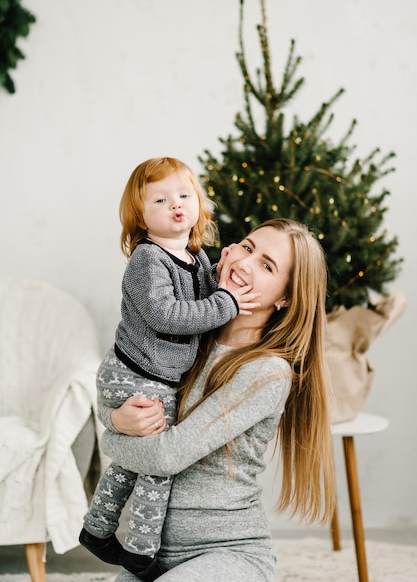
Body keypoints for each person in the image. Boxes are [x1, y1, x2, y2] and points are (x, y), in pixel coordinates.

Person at [99, 217, 336, 582]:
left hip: (229, 554)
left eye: (267, 265)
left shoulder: (267, 372)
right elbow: (121, 387)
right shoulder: (189, 336)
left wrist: (109, 438)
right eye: (247, 246)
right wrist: (117, 420)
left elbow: (167, 455)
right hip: (153, 555)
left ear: (285, 297)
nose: (244, 263)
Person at [79, 157, 259, 580]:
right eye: (160, 200)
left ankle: (97, 528)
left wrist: (223, 273)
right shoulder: (147, 259)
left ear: (198, 202)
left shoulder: (193, 256)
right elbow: (168, 315)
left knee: (133, 460)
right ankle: (143, 553)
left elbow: (201, 292)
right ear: (141, 216)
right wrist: (226, 303)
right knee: (161, 462)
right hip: (136, 372)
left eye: (184, 195)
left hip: (155, 373)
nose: (176, 205)